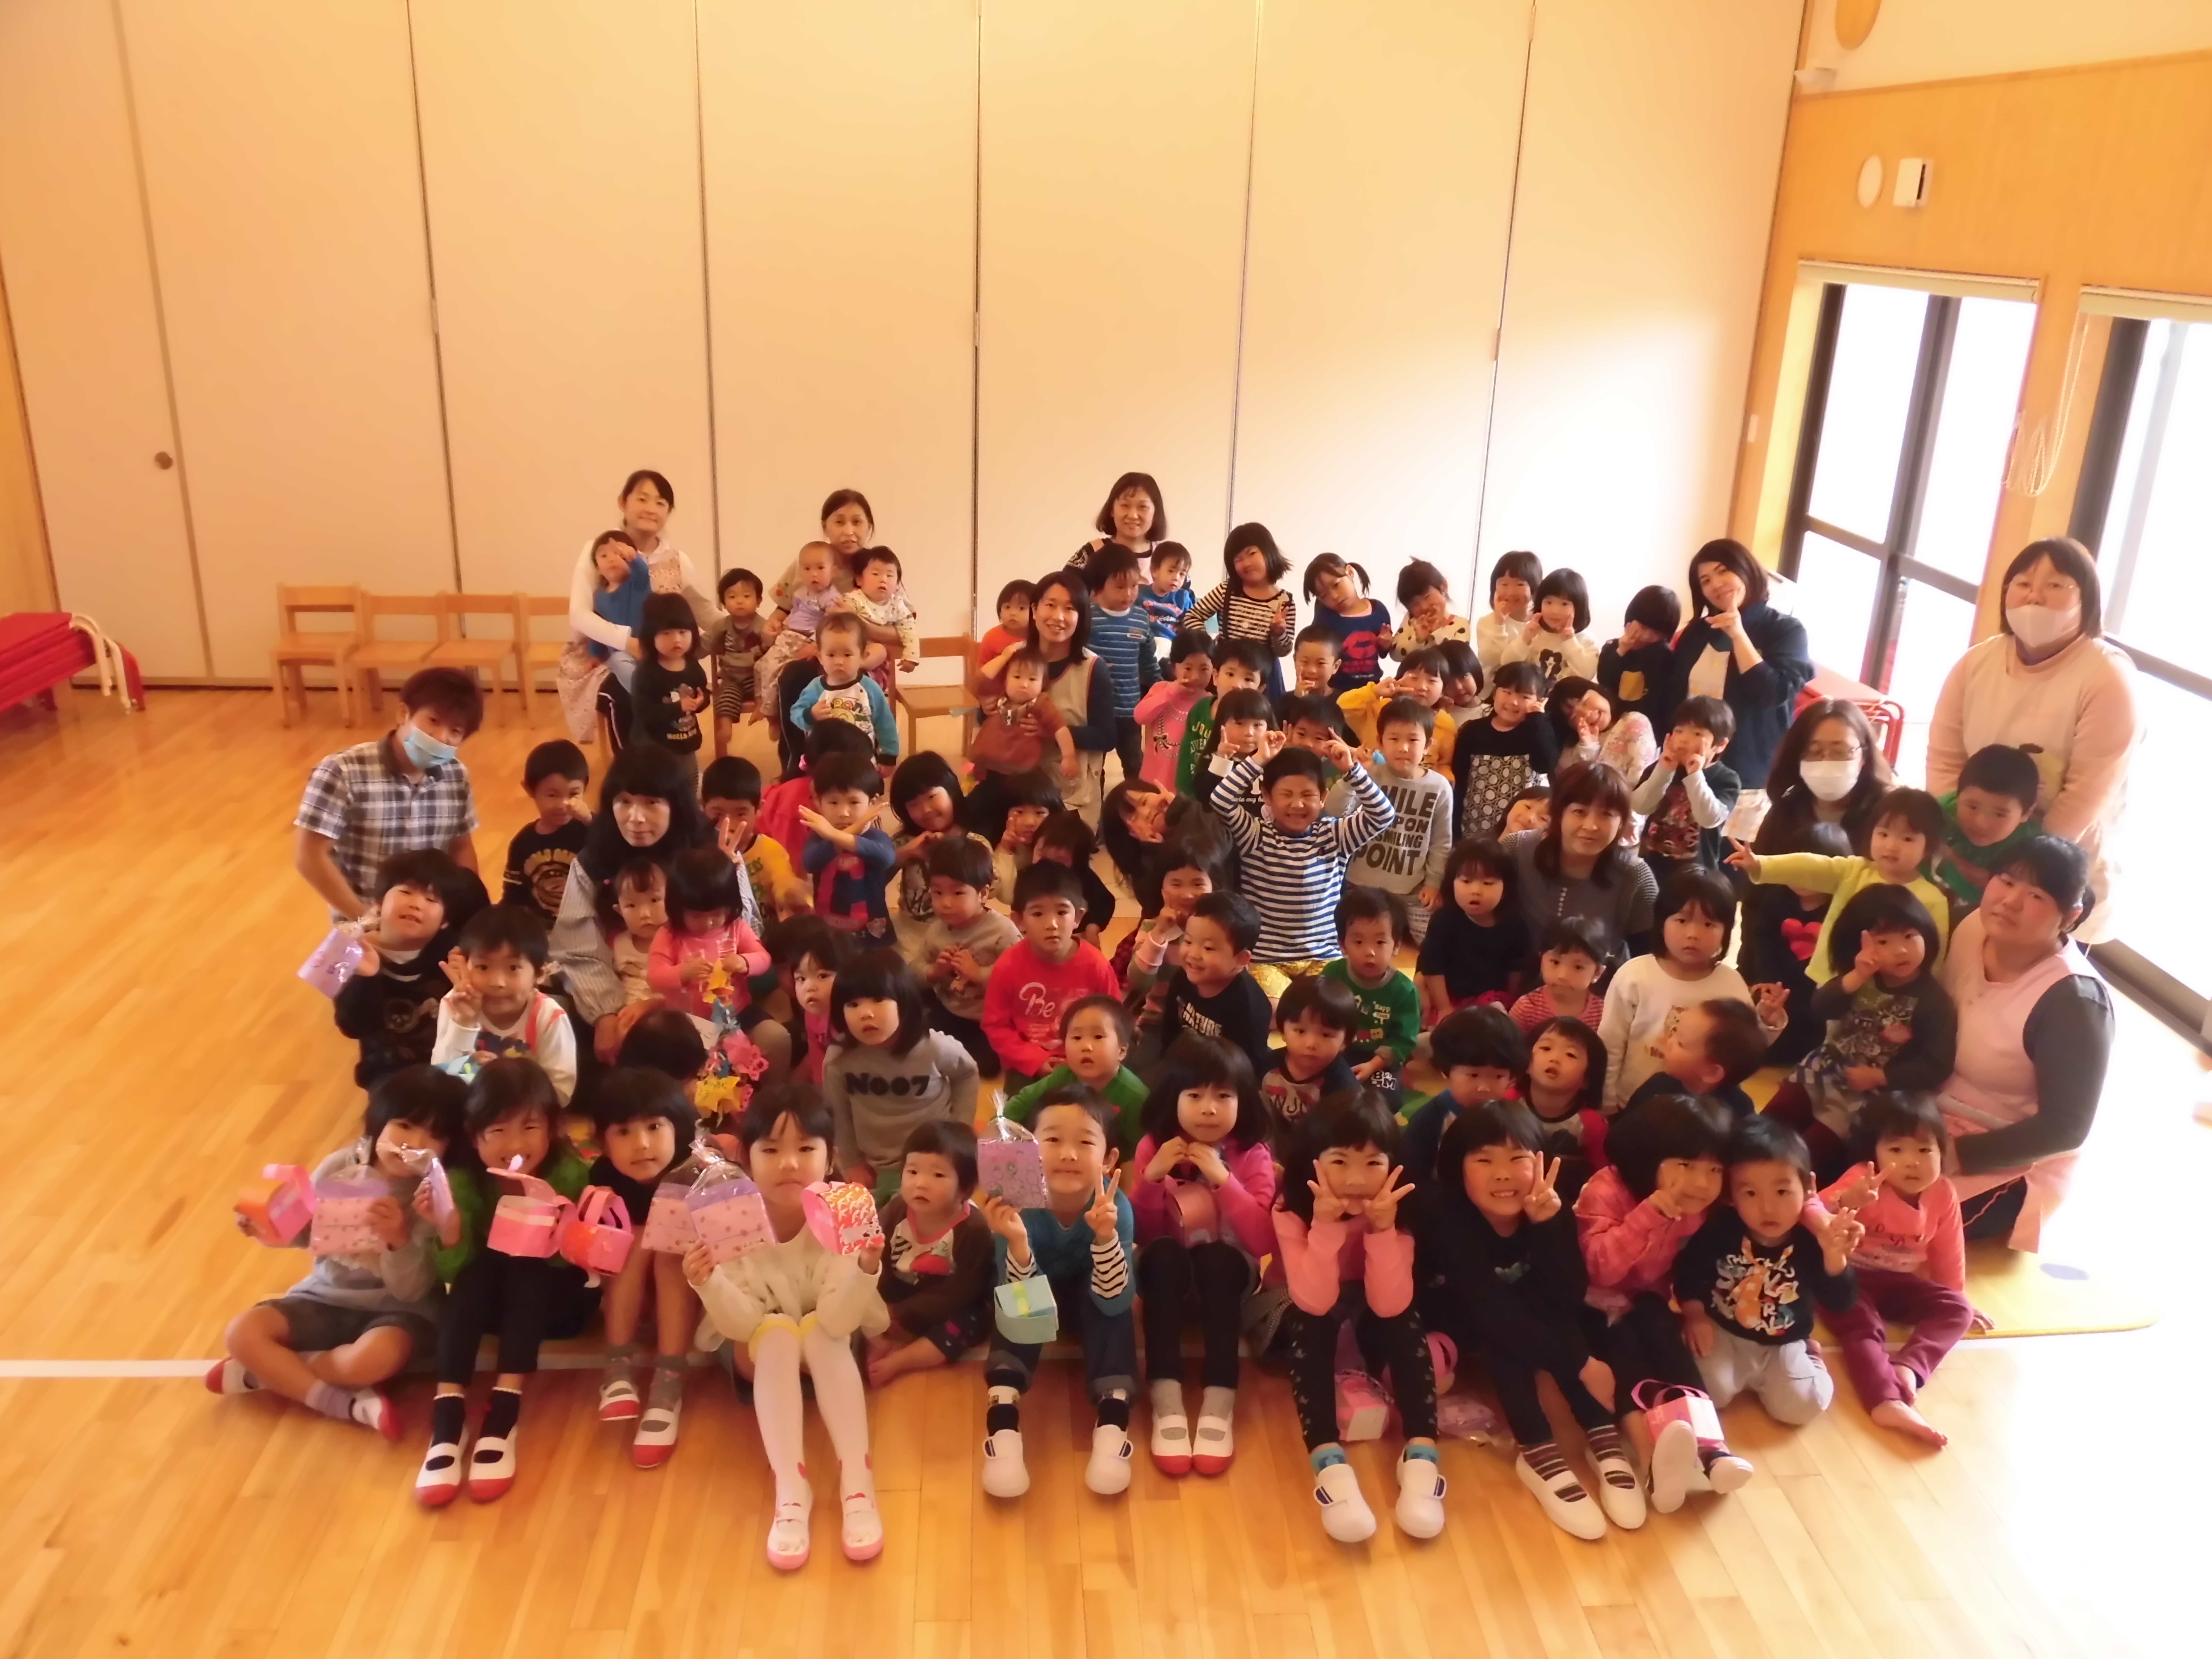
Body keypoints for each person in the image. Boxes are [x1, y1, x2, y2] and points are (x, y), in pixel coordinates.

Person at [1418, 1103, 1643, 1539]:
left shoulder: (1547, 1205)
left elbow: (1567, 1293)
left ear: (1540, 1161)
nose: (1503, 1174)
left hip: (1518, 1311)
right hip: (1455, 1314)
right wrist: (1581, 1364)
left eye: (1517, 1158)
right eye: (1484, 1160)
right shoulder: (1448, 1218)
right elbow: (1488, 1309)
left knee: (1559, 1311)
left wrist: (1548, 1226)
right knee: (1504, 1335)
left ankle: (1600, 1432)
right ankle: (1537, 1448)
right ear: (1457, 1169)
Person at [685, 1083, 887, 1569]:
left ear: (831, 1157)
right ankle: (791, 1490)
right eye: (771, 1150)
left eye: (806, 1149)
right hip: (759, 1352)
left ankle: (857, 1484)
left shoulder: (847, 1208)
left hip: (828, 1346)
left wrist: (866, 1267)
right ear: (746, 1158)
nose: (790, 1164)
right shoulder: (728, 1216)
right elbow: (742, 1324)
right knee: (774, 1334)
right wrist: (708, 1282)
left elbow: (839, 1319)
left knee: (820, 1329)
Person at [211, 1066, 464, 1438]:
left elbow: (411, 1291)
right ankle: (342, 1403)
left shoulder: (432, 1194)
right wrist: (268, 1225)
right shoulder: (340, 1166)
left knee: (371, 1361)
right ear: (379, 1120)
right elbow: (307, 1232)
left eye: (435, 1136)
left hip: (399, 1312)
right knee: (242, 1333)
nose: (415, 1142)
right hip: (325, 1297)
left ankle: (267, 1374)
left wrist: (398, 1240)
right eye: (405, 1125)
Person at [1926, 538, 2137, 938]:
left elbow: (2085, 794)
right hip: (1965, 850)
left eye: (2055, 585)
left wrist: (2019, 873)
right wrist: (1954, 832)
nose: (2035, 596)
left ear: (2087, 600)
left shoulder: (2106, 678)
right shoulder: (1977, 662)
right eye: (2022, 583)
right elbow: (1945, 758)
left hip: (2055, 868)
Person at [414, 1059, 595, 1506]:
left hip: (554, 1305)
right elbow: (454, 1273)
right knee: (477, 1271)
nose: (515, 1144)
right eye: (497, 1131)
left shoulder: (569, 1173)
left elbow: (576, 1263)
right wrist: (449, 1231)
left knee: (525, 1265)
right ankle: (448, 1413)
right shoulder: (464, 1181)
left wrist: (558, 1232)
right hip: (491, 1307)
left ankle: (506, 1406)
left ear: (552, 1128)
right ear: (474, 1135)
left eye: (530, 1127)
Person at [1269, 1092, 1443, 1543]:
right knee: (1311, 1323)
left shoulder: (1400, 1207)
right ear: (1314, 1162)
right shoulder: (1290, 1206)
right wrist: (1326, 1226)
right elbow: (1313, 1300)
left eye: (1373, 1164)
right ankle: (1330, 1465)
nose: (1355, 1180)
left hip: (1369, 1302)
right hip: (1300, 1302)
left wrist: (1384, 1230)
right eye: (1340, 1162)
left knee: (1406, 1322)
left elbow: (1390, 1305)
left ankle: (1422, 1457)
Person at [1573, 1093, 1751, 1510]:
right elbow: (1599, 1270)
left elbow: (1692, 1263)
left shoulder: (1700, 1208)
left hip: (1647, 1296)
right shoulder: (1605, 1190)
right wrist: (1649, 1214)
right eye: (1687, 1165)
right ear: (1649, 1156)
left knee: (1670, 1347)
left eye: (1715, 1169)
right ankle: (1652, 1458)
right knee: (1625, 1356)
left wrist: (1692, 1309)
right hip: (1590, 1303)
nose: (1703, 1183)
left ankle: (1714, 1451)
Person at [1935, 837, 2114, 1250]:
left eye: (2036, 896)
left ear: (2070, 916)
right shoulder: (1970, 927)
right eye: (2006, 880)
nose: (2010, 901)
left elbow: (2065, 1128)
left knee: (1900, 1228)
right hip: (1931, 1115)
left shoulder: (2073, 1001)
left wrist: (1958, 1154)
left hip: (2008, 1153)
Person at [550, 744, 763, 1065]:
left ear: (675, 805)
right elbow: (577, 949)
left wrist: (724, 873)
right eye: (624, 802)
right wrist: (606, 1014)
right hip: (621, 988)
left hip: (702, 995)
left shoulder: (713, 850)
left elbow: (747, 929)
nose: (636, 818)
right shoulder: (595, 858)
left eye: (651, 803)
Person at [975, 1084, 1140, 1499]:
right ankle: (1003, 1425)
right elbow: (1017, 1304)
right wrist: (1017, 1242)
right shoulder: (1015, 1204)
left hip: (1093, 1298)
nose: (1068, 1154)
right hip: (1035, 1292)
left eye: (1085, 1142)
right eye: (1051, 1140)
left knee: (1112, 1309)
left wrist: (1106, 1238)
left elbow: (1115, 1299)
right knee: (1018, 1298)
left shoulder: (1116, 1208)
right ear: (1027, 1152)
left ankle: (1113, 1425)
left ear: (1109, 1160)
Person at [1130, 1035, 1279, 1477]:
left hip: (1225, 1283)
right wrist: (1152, 1179)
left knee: (1219, 1259)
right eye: (1194, 1096)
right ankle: (1167, 1401)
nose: (1209, 1109)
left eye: (1223, 1097)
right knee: (1162, 1255)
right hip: (1167, 1280)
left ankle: (1219, 1400)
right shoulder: (1154, 1147)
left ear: (1243, 1102)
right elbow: (1142, 1234)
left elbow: (1262, 1242)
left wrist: (1224, 1181)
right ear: (1172, 1098)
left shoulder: (1253, 1155)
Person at [1673, 1116, 1862, 1428]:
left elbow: (1842, 1304)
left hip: (1782, 1344)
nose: (1768, 1208)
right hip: (1724, 1333)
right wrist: (1695, 1315)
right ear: (1731, 1196)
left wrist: (1834, 1257)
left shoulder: (1813, 1240)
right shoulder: (1722, 1228)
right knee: (1705, 1392)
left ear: (1809, 1187)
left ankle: (1811, 1358)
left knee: (1803, 1407)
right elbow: (1688, 1270)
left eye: (1782, 1192)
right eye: (1750, 1194)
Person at [1762, 885, 1957, 1183]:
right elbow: (1821, 1007)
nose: (1901, 950)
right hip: (1825, 1070)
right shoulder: (1861, 978)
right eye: (1883, 941)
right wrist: (1856, 977)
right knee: (1772, 1119)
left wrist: (1881, 1077)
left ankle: (1784, 1191)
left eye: (1909, 936)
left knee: (1811, 1152)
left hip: (1867, 1095)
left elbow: (1937, 1066)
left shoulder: (1934, 1001)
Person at [1819, 1093, 1979, 1448]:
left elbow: (1948, 1249)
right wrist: (1847, 1201)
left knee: (1958, 1309)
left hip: (1900, 1281)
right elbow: (1813, 1209)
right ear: (1875, 1154)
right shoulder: (1863, 1180)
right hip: (1848, 1277)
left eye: (1925, 1150)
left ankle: (1909, 1369)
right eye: (1896, 1150)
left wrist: (1955, 1293)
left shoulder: (1943, 1192)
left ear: (1942, 1152)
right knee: (1862, 1328)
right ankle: (1885, 1401)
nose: (1912, 1162)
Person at [295, 666, 483, 917]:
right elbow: (309, 856)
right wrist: (365, 920)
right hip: (360, 920)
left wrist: (467, 916)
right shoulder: (342, 771)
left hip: (429, 921)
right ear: (404, 714)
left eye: (455, 731)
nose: (441, 737)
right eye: (434, 721)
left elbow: (461, 848)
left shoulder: (456, 775)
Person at [582, 1069, 699, 1466]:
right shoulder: (604, 1176)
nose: (642, 1144)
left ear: (679, 1128)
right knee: (635, 1239)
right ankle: (617, 1368)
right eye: (624, 1132)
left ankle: (669, 1381)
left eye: (654, 1127)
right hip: (636, 1299)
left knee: (667, 1248)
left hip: (691, 1295)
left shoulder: (696, 1170)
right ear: (603, 1141)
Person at [1727, 785, 1953, 983]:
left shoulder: (1932, 899)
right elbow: (1811, 866)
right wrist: (1761, 864)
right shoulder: (1854, 870)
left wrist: (1922, 994)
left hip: (1887, 994)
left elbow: (1935, 955)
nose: (1891, 846)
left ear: (1930, 847)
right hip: (1833, 981)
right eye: (1883, 834)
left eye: (1907, 839)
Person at [1210, 731, 1395, 972]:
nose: (1297, 804)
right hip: (1266, 959)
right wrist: (1259, 759)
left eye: (1308, 795)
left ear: (1323, 797)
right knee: (1270, 999)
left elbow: (1384, 814)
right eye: (1286, 794)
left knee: (1331, 997)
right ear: (1267, 796)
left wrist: (1352, 770)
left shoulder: (1334, 836)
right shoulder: (1255, 836)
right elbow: (1221, 800)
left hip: (1324, 956)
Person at [1665, 538, 1814, 835]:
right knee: (1686, 856)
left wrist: (1738, 634)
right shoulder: (1698, 632)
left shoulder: (1784, 630)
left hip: (1749, 775)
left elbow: (1772, 692)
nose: (1717, 585)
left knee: (1734, 858)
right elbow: (1676, 699)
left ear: (1747, 570)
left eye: (1724, 571)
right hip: (1692, 769)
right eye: (1706, 581)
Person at [559, 470, 717, 745]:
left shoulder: (678, 559)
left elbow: (705, 611)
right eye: (642, 499)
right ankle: (634, 766)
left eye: (660, 503)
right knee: (627, 693)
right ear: (623, 503)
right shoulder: (598, 550)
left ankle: (674, 752)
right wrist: (627, 642)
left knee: (679, 682)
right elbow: (579, 615)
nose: (651, 509)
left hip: (661, 655)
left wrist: (742, 625)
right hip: (605, 656)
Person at [1599, 869, 1774, 1110]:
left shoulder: (1731, 983)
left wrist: (1767, 1022)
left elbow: (1743, 1050)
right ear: (1661, 924)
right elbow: (1611, 1044)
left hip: (1702, 1111)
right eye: (1681, 921)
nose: (1693, 935)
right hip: (1632, 1103)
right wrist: (1607, 1102)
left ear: (1727, 931)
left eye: (1709, 924)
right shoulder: (1634, 975)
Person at [825, 948, 979, 1200]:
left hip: (934, 1157)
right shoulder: (839, 1057)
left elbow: (967, 1074)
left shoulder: (933, 1048)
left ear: (905, 1003)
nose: (866, 1013)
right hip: (876, 1164)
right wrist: (852, 1162)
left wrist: (961, 1130)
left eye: (878, 1000)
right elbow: (838, 1111)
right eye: (853, 1005)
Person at [332, 850, 477, 1086]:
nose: (416, 904)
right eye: (406, 892)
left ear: (445, 921)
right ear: (379, 903)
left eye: (431, 900)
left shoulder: (454, 953)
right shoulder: (354, 950)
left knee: (486, 1093)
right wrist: (366, 979)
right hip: (388, 1071)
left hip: (453, 1061)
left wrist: (470, 984)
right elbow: (352, 1027)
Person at [869, 1120, 994, 1386]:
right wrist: (879, 1302)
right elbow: (876, 1252)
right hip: (897, 1291)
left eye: (938, 1175)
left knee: (969, 1322)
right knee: (854, 1295)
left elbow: (962, 1290)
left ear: (966, 1188)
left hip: (947, 1303)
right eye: (912, 1171)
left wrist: (902, 1314)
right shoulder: (897, 1209)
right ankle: (877, 1344)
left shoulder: (973, 1229)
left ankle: (901, 1360)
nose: (920, 1184)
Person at [1500, 761, 1656, 967]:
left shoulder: (1635, 876)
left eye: (1607, 814)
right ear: (1559, 813)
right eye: (1580, 812)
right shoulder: (1517, 849)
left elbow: (1649, 956)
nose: (1591, 826)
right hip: (1518, 977)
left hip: (1600, 984)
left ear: (1622, 822)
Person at [982, 862, 1121, 1091]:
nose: (1052, 924)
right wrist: (1035, 1060)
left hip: (1086, 1059)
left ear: (1078, 917)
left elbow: (1114, 1020)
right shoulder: (1008, 966)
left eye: (1062, 912)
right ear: (1019, 921)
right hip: (1027, 1063)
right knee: (1017, 1111)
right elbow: (996, 1025)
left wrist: (1089, 1055)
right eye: (1038, 913)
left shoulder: (1096, 966)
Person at [431, 904, 578, 1106]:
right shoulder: (455, 1004)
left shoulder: (549, 1015)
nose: (497, 982)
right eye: (483, 967)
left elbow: (561, 1090)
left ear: (540, 974)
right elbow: (441, 1079)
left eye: (513, 968)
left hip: (525, 1111)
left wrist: (510, 1087)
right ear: (464, 966)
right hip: (467, 1109)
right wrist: (464, 1023)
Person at [1739, 818, 1851, 1068]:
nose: (1802, 878)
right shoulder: (1776, 901)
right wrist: (1767, 979)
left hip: (1820, 993)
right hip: (1782, 987)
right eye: (1796, 867)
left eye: (1813, 871)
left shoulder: (1841, 908)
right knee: (1763, 1041)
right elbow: (1763, 939)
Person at [1348, 699, 1454, 943]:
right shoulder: (1368, 775)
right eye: (1394, 739)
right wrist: (1353, 774)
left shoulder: (1439, 787)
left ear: (1428, 745)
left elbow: (1441, 842)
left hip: (1411, 887)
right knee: (1356, 938)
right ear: (1381, 742)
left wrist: (1434, 883)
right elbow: (1335, 813)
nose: (1403, 748)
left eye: (1413, 740)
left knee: (1431, 941)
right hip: (1361, 883)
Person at [911, 835, 1018, 1072]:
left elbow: (1019, 978)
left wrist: (980, 974)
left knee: (989, 1065)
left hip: (987, 1017)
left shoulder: (1002, 932)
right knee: (915, 1041)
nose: (946, 903)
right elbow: (916, 967)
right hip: (949, 1008)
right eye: (938, 893)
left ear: (983, 894)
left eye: (958, 893)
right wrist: (935, 971)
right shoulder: (937, 930)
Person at [1396, 1004, 1527, 1193]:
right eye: (1473, 1075)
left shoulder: (1514, 1117)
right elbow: (1413, 1175)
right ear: (1446, 1071)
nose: (1484, 1087)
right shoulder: (1431, 1119)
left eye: (1498, 1077)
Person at [1150, 892, 1277, 1086]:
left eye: (1208, 948)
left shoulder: (1250, 1008)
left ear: (1241, 959)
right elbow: (1170, 1029)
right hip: (1187, 1064)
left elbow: (1248, 1070)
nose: (1193, 954)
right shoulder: (1183, 977)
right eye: (1188, 941)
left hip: (1224, 1081)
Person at [1023, 569, 1117, 825]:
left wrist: (1054, 731)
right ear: (1034, 609)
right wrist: (988, 707)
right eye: (1051, 605)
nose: (1059, 617)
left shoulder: (1093, 668)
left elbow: (1107, 737)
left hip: (1071, 794)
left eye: (1070, 609)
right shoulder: (1014, 657)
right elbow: (986, 715)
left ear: (1081, 617)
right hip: (1018, 784)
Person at [645, 848, 773, 1035]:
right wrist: (684, 973)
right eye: (696, 916)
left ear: (731, 905)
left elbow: (764, 958)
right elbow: (654, 978)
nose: (708, 922)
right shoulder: (669, 935)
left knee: (775, 1037)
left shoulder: (736, 926)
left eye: (717, 914)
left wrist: (745, 962)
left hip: (739, 1013)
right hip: (688, 1022)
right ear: (678, 909)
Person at [1003, 995, 1148, 1156]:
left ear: (1122, 1051)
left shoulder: (1135, 1097)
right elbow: (1018, 1107)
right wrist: (1001, 1133)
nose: (1086, 1046)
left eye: (1098, 1037)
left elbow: (1138, 1151)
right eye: (1077, 1038)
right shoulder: (1063, 1075)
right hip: (1062, 1153)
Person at [1752, 698, 1896, 859]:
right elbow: (1759, 870)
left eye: (1840, 751)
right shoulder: (1785, 813)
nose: (1827, 761)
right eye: (1815, 751)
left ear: (1865, 756)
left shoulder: (1889, 814)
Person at [1631, 697, 1741, 890]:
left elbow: (1709, 819)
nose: (1684, 739)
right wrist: (1664, 770)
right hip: (1650, 868)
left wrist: (1695, 775)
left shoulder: (1726, 779)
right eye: (1679, 731)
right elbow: (1640, 806)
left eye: (1697, 733)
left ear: (1721, 745)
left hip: (1697, 876)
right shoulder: (1661, 768)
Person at [1417, 836, 1529, 1022]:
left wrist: (1512, 1005)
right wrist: (1445, 1007)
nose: (1476, 890)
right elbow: (1432, 968)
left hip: (1493, 1000)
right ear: (1452, 883)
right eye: (1466, 881)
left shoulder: (1515, 926)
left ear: (1506, 889)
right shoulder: (1444, 921)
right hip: (1449, 997)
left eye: (1488, 883)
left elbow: (1516, 971)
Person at [883, 753, 983, 954]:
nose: (926, 810)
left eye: (931, 796)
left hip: (963, 937)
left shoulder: (975, 842)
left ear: (951, 790)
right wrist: (904, 854)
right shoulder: (905, 841)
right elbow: (869, 880)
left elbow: (993, 888)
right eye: (914, 805)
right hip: (910, 934)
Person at [1326, 889, 1421, 1099]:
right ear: (1343, 945)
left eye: (1380, 942)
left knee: (1388, 1100)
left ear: (1396, 946)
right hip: (1338, 1050)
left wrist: (1374, 1064)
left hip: (1380, 1058)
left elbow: (1404, 1040)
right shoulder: (1333, 974)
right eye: (1359, 942)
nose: (1370, 952)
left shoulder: (1404, 990)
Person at [1453, 660, 1560, 841]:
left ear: (1540, 701)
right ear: (1495, 693)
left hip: (1523, 828)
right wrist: (1454, 826)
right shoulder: (1473, 731)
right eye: (1507, 692)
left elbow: (1545, 764)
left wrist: (1538, 719)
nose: (1513, 702)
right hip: (1474, 824)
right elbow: (1460, 779)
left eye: (1525, 697)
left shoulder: (1539, 731)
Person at [1186, 523, 1296, 699]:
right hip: (1227, 675)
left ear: (1269, 551)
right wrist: (1210, 647)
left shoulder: (1284, 601)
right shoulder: (1227, 590)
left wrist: (1279, 633)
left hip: (1260, 679)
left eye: (1252, 553)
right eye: (1238, 559)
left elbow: (1284, 651)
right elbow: (1193, 616)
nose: (1246, 563)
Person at [1080, 545, 1159, 783]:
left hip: (1130, 709)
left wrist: (1161, 688)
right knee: (1095, 768)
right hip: (1095, 710)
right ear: (1099, 585)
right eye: (1120, 587)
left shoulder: (1141, 618)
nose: (1129, 594)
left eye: (1134, 586)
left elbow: (1148, 662)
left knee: (1135, 765)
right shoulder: (1087, 616)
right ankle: (1097, 806)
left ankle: (1136, 802)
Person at [798, 752, 897, 941]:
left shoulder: (876, 837)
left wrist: (835, 835)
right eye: (833, 802)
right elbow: (810, 863)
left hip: (872, 935)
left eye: (854, 802)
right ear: (819, 803)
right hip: (828, 933)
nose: (843, 812)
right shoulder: (818, 838)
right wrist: (844, 834)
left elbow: (887, 859)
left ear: (872, 803)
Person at [1934, 744, 2044, 913]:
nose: (1981, 823)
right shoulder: (1939, 812)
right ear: (1958, 795)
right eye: (1972, 807)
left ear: (2026, 813)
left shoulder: (2030, 847)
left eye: (2000, 814)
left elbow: (1991, 882)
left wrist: (1952, 857)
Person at [703, 756, 806, 922]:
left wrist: (791, 894)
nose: (729, 824)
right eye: (718, 814)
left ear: (759, 809)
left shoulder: (770, 850)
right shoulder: (698, 854)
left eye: (741, 814)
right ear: (702, 808)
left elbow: (783, 881)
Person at [1519, 1016, 1610, 1200]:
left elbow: (1602, 1178)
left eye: (1571, 1055)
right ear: (1527, 1062)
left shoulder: (1591, 1125)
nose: (1555, 1059)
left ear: (1588, 1079)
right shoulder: (1508, 1104)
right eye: (1546, 1048)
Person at [790, 612, 900, 762]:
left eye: (847, 655)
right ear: (820, 657)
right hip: (823, 762)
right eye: (831, 655)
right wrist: (811, 715)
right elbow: (796, 713)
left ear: (863, 656)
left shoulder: (870, 689)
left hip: (862, 762)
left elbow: (885, 723)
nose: (839, 662)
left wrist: (889, 756)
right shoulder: (815, 689)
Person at [502, 741, 591, 925]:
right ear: (530, 790)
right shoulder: (523, 843)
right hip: (544, 928)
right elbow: (514, 896)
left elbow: (613, 849)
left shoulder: (591, 828)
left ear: (585, 788)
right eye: (552, 795)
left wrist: (590, 821)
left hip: (591, 925)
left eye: (574, 794)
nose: (563, 804)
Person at [1174, 637, 1270, 798]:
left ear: (1260, 689)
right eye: (1230, 674)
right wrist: (1182, 793)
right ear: (1216, 676)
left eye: (1248, 679)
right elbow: (1186, 756)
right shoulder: (1200, 709)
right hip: (1194, 795)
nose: (1237, 685)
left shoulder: (1258, 724)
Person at [1261, 974, 1359, 1125]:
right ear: (1282, 1031)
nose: (1311, 1044)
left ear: (1345, 1041)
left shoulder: (1343, 1089)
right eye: (1300, 1031)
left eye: (1326, 1035)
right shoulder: (1267, 1064)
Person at [1132, 630, 1213, 789]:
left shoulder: (1211, 702)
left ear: (1214, 671)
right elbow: (1140, 716)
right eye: (1188, 668)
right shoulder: (1161, 689)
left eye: (1204, 669)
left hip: (1187, 788)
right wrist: (1172, 691)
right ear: (1174, 667)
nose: (1195, 676)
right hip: (1152, 782)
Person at [1598, 584, 1683, 733]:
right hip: (1611, 727)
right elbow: (1604, 679)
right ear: (1630, 620)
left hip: (1647, 732)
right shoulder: (1613, 648)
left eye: (1656, 633)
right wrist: (1621, 650)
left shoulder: (1664, 656)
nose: (1647, 636)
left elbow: (1665, 704)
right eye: (1643, 628)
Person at [1304, 552, 1392, 690]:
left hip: (1372, 691)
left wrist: (1387, 644)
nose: (1334, 596)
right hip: (1336, 693)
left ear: (1350, 572)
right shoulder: (1325, 619)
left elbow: (1383, 653)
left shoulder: (1378, 610)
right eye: (1324, 596)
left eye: (1336, 585)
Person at [705, 567, 768, 759]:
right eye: (732, 597)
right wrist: (687, 651)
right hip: (731, 677)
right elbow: (705, 643)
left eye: (747, 596)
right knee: (726, 696)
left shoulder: (762, 626)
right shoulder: (720, 627)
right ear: (724, 602)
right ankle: (726, 726)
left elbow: (773, 651)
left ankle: (767, 714)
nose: (740, 601)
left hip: (755, 677)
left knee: (770, 691)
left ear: (758, 601)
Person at [1499, 567, 1600, 685]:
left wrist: (1570, 641)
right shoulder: (1533, 633)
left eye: (1564, 604)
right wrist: (1525, 639)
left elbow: (1586, 675)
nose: (1555, 611)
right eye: (1549, 602)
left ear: (1578, 608)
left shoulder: (1586, 641)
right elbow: (1507, 665)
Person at [1508, 917, 1608, 1036]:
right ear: (1542, 962)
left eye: (1578, 967)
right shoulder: (1526, 1009)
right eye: (1555, 962)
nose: (1563, 976)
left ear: (1597, 973)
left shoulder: (1603, 1014)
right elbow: (1510, 1045)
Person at [1071, 469, 1165, 571]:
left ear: (1156, 513)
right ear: (1112, 510)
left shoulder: (1166, 557)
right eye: (1125, 505)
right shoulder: (1092, 552)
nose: (1133, 515)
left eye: (1143, 507)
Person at [1474, 550, 1541, 678]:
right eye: (1504, 584)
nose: (1511, 592)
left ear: (1534, 588)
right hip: (1493, 688)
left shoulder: (1540, 624)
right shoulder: (1486, 623)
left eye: (1520, 584)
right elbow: (1491, 660)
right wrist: (1499, 623)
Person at [1395, 559, 1471, 657]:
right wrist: (1419, 640)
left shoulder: (1461, 624)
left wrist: (1436, 633)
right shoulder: (1411, 620)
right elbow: (1395, 654)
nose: (1424, 607)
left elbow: (1458, 660)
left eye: (1427, 597)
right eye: (1415, 604)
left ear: (1444, 587)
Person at [974, 579, 1034, 703]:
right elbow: (980, 676)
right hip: (997, 699)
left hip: (1031, 698)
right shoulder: (992, 637)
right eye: (1007, 607)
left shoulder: (1039, 636)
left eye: (1022, 608)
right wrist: (983, 699)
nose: (1013, 613)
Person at [1141, 541, 1195, 637]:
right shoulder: (1140, 594)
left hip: (1173, 643)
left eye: (1182, 574)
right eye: (1171, 571)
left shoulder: (1183, 598)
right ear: (1154, 571)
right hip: (1147, 642)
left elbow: (1192, 625)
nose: (1176, 578)